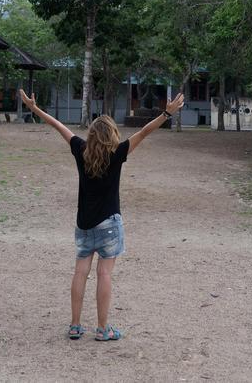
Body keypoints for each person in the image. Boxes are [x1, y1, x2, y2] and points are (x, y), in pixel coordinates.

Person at [18, 89, 185, 342]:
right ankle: (102, 329)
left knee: (80, 273)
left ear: (92, 135)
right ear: (112, 135)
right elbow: (144, 132)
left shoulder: (80, 149)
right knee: (104, 274)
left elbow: (56, 124)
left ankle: (75, 325)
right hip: (109, 225)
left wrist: (35, 109)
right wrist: (166, 113)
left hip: (84, 224)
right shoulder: (117, 153)